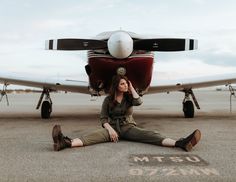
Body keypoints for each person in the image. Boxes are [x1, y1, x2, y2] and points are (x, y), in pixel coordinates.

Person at [52, 75, 201, 152]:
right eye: (122, 83)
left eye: (126, 83)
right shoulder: (108, 100)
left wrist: (131, 87)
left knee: (151, 135)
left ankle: (181, 143)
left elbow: (139, 102)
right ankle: (64, 143)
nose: (125, 85)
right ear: (116, 86)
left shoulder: (130, 97)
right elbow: (103, 118)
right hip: (111, 128)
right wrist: (110, 131)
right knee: (91, 137)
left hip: (128, 127)